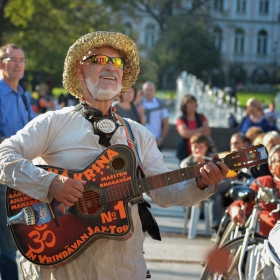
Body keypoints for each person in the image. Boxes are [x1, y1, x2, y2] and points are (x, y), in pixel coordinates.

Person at [0, 31, 228, 280]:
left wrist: (201, 182)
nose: (110, 66)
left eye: (116, 62)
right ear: (80, 70)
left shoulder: (138, 134)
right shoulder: (54, 122)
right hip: (61, 267)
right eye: (99, 60)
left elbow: (163, 191)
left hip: (122, 267)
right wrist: (50, 184)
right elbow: (4, 154)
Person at [0, 43, 35, 280]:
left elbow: (34, 132)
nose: (18, 64)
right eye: (13, 59)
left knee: (18, 236)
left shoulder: (23, 96)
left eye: (22, 60)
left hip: (21, 175)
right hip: (2, 174)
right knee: (7, 241)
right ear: (1, 63)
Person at [228, 144, 280, 236]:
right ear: (271, 168)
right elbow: (241, 203)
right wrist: (236, 210)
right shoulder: (264, 182)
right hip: (265, 242)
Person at [176, 94, 212, 161]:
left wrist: (191, 132)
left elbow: (207, 132)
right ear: (184, 106)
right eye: (189, 103)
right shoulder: (181, 119)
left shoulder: (201, 117)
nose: (192, 105)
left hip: (201, 154)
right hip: (185, 154)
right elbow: (185, 133)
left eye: (193, 102)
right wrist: (200, 130)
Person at [142, 81, 169, 150]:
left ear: (154, 90)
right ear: (143, 91)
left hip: (156, 140)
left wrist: (161, 139)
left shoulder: (160, 104)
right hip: (141, 140)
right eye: (146, 90)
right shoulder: (139, 103)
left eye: (151, 90)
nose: (149, 92)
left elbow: (166, 123)